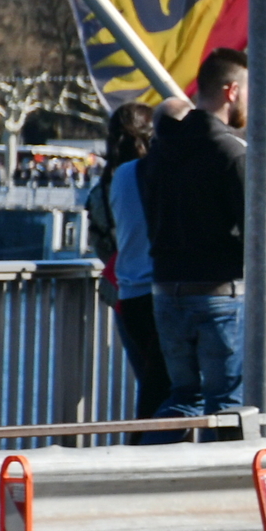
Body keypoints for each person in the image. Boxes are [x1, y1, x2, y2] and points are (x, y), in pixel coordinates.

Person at [143, 47, 255, 433]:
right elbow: (250, 226)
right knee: (227, 403)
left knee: (184, 397)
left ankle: (151, 472)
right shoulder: (231, 152)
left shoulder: (159, 152)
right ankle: (226, 488)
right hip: (218, 292)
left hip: (166, 288)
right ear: (231, 91)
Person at [86, 103, 167, 424]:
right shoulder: (156, 175)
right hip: (162, 289)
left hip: (123, 292)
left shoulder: (102, 188)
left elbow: (100, 242)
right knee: (170, 386)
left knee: (147, 384)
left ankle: (143, 446)